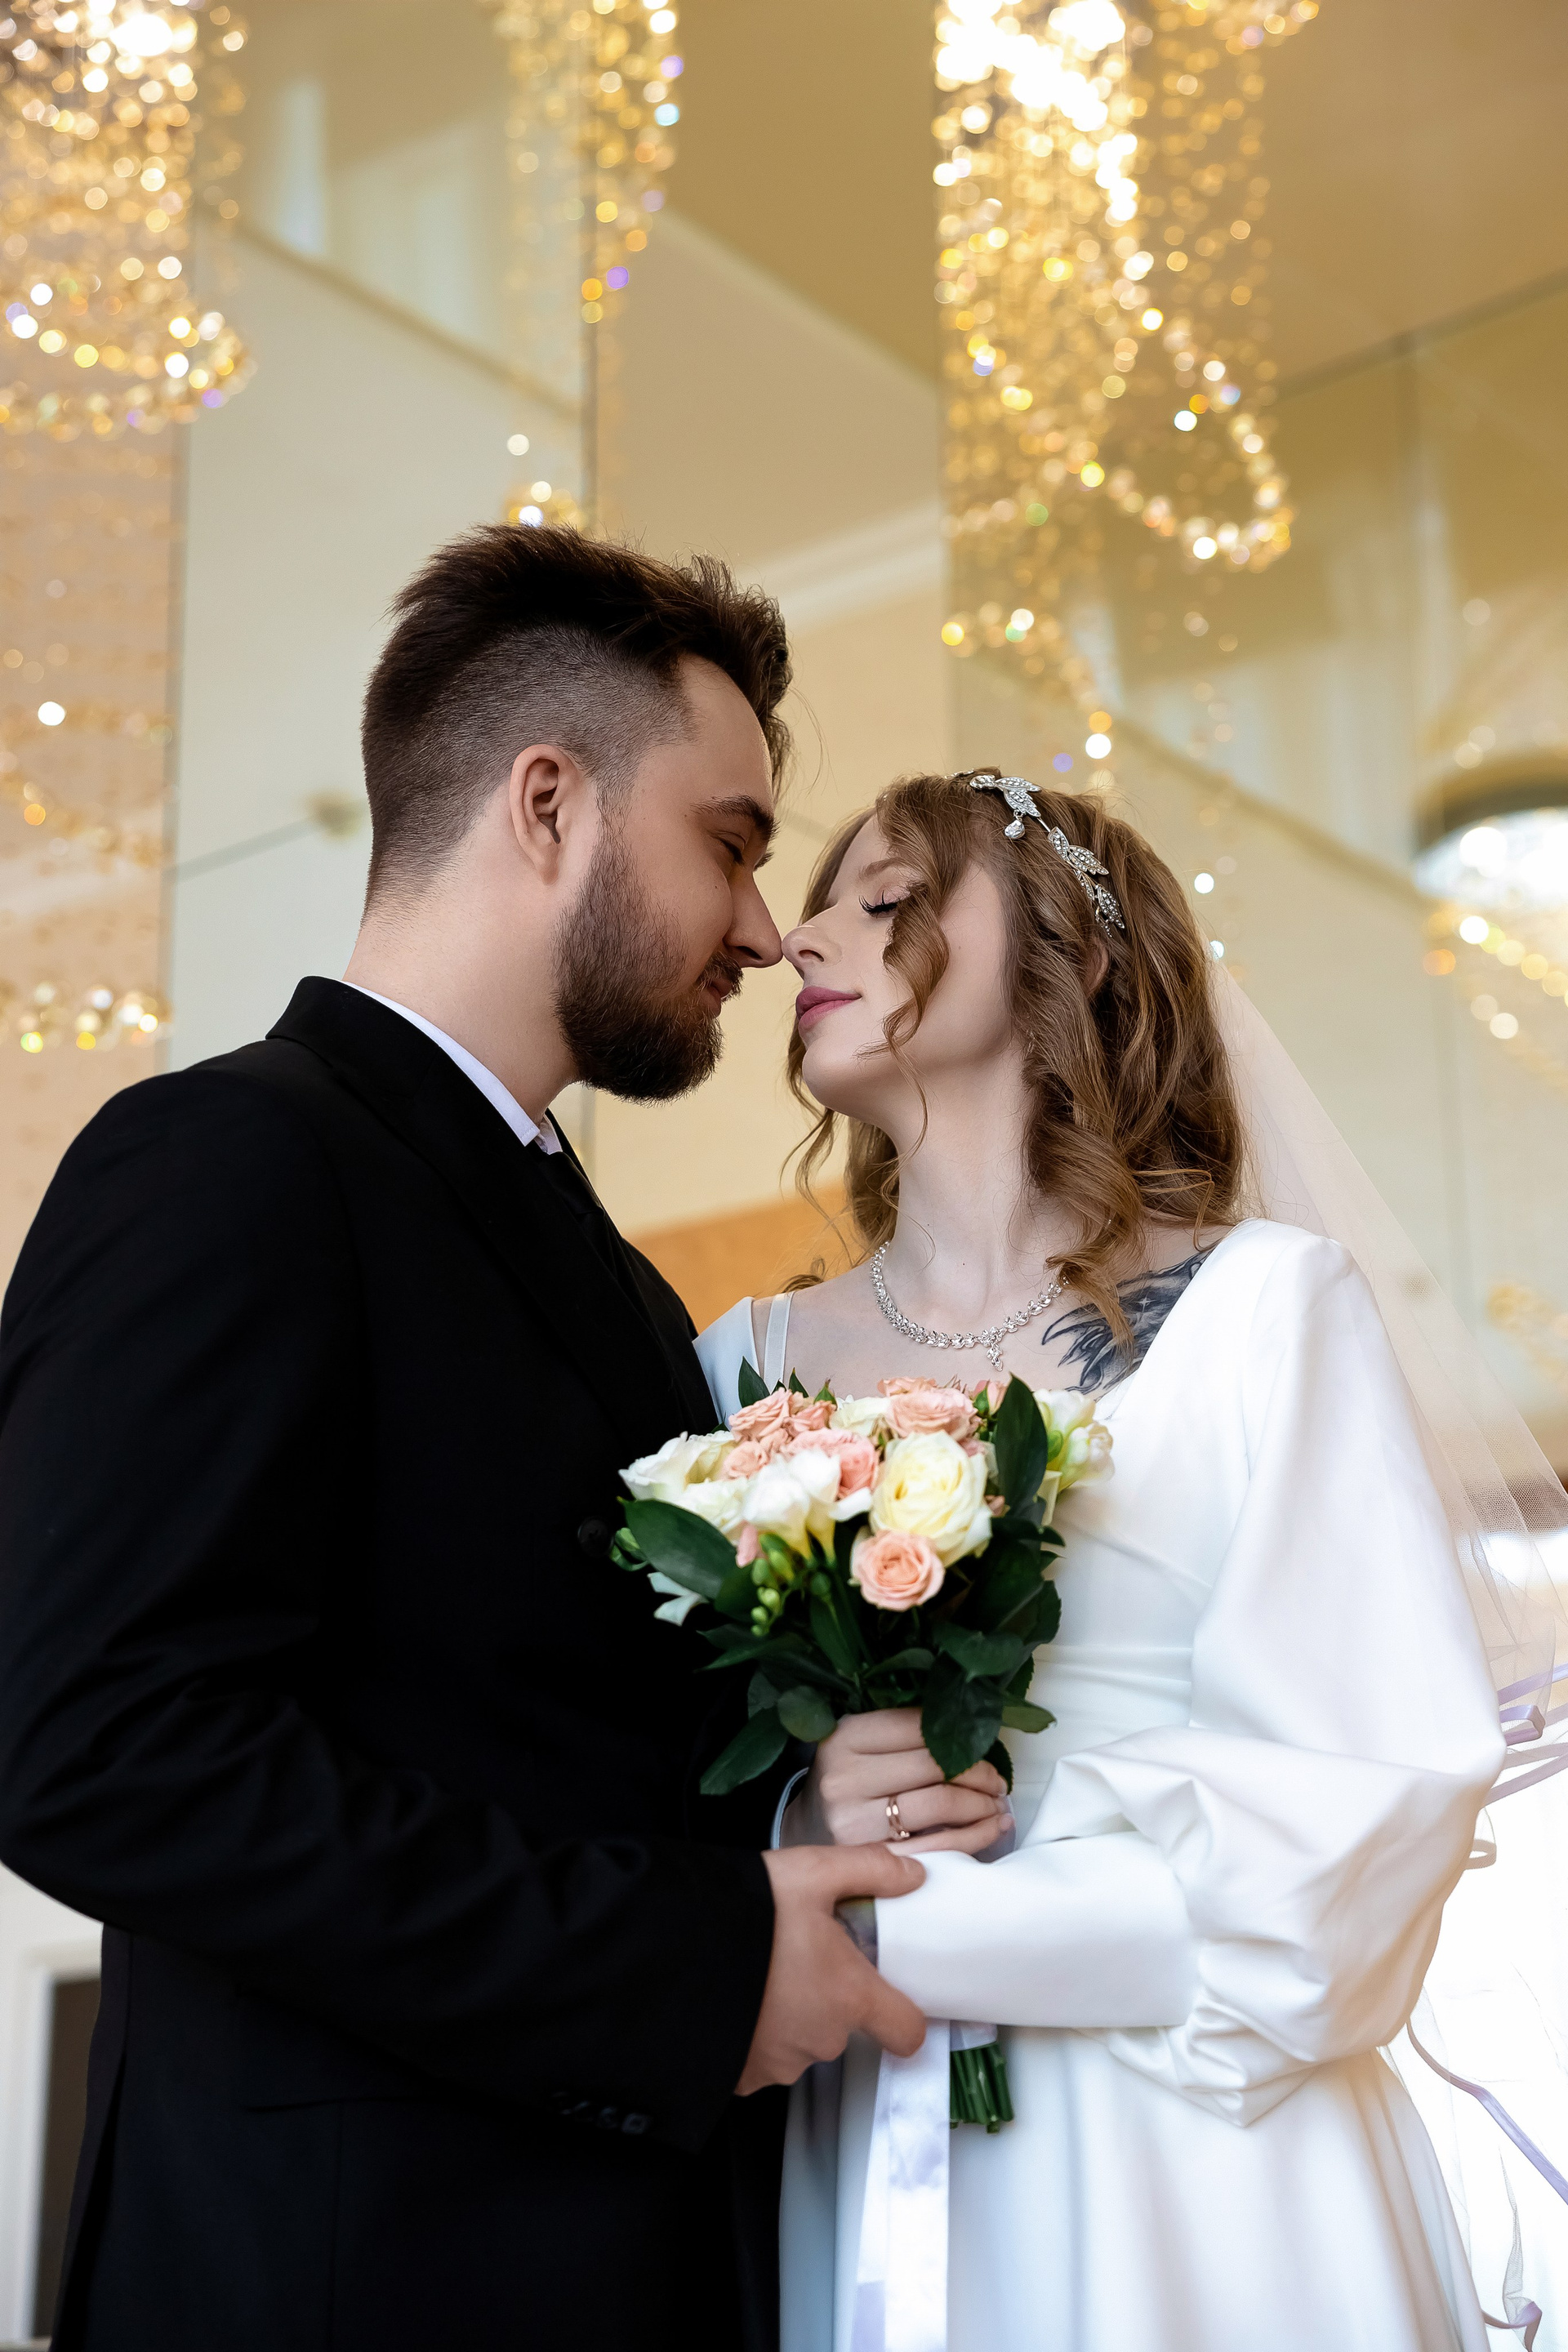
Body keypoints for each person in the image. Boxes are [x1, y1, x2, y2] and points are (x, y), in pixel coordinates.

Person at [0, 525, 927, 2352]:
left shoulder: (625, 1286)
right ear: (548, 803)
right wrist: (684, 1967)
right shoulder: (228, 1160)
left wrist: (836, 1789)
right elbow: (94, 1747)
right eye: (731, 842)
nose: (763, 926)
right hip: (338, 2279)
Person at [696, 768, 1509, 2352]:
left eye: (885, 898)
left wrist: (924, 1919)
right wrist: (806, 1821)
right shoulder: (738, 1370)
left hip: (1207, 2139)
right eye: (816, 902)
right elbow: (649, 1770)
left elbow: (1369, 1794)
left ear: (1065, 948)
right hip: (876, 2128)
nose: (801, 939)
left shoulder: (1270, 1311)